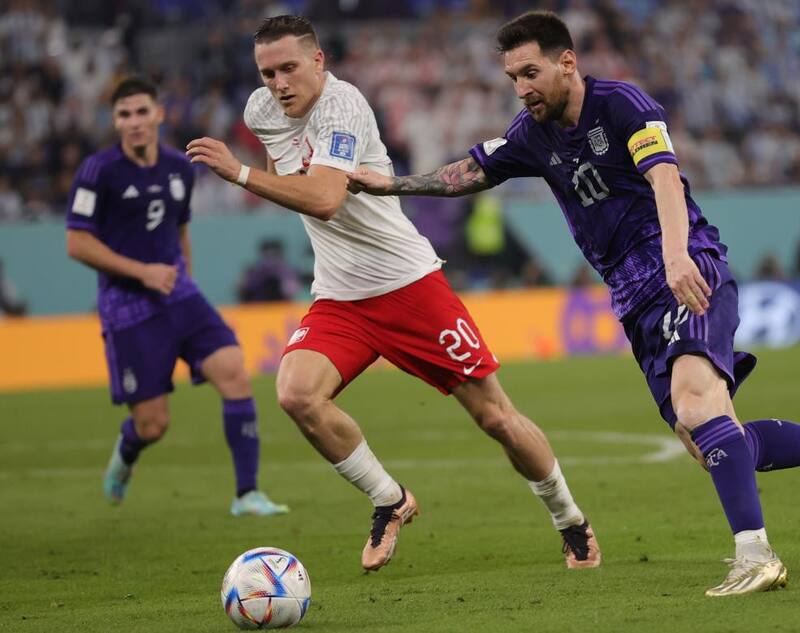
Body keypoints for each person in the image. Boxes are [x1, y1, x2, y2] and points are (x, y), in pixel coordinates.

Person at [347, 11, 800, 596]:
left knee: (696, 408)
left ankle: (756, 557)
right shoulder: (530, 134)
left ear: (568, 61)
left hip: (687, 269)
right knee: (714, 442)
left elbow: (665, 179)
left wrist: (674, 257)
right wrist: (394, 185)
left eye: (531, 72)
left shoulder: (623, 105)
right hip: (632, 298)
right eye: (513, 76)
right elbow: (471, 171)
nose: (521, 87)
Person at [185, 15, 600, 572]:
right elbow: (287, 181)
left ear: (318, 61)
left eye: (288, 68)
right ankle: (390, 500)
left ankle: (570, 520)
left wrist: (237, 174)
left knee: (496, 417)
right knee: (296, 394)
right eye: (267, 73)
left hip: (408, 286)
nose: (278, 83)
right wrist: (259, 174)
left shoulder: (343, 106)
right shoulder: (262, 112)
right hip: (339, 296)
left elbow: (327, 198)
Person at [65, 77, 288, 517]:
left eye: (142, 111)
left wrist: (185, 278)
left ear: (159, 114)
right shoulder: (99, 171)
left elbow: (180, 228)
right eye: (124, 114)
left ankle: (247, 495)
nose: (134, 122)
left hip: (180, 295)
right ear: (115, 120)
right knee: (153, 424)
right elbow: (77, 244)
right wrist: (142, 272)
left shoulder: (178, 167)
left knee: (234, 374)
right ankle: (127, 451)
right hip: (127, 306)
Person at [237, 238, 302, 302]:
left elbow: (292, 290)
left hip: (281, 308)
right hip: (257, 308)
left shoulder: (287, 272)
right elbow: (241, 288)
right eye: (267, 255)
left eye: (274, 254)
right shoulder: (254, 271)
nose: (271, 259)